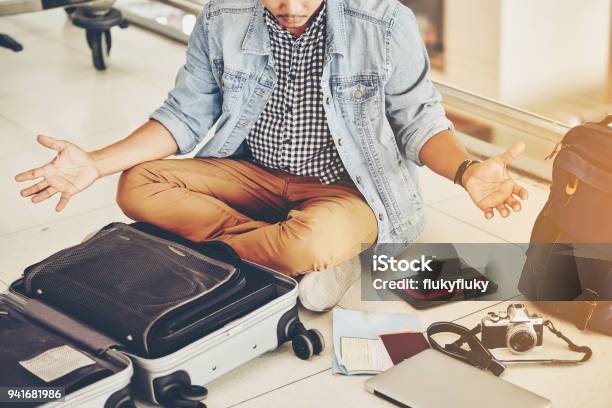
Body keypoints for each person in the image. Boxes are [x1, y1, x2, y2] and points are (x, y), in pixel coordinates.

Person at [14, 0, 528, 311]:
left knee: (311, 237)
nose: (290, 8)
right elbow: (185, 114)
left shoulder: (385, 20)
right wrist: (96, 164)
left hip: (348, 189)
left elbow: (419, 121)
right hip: (252, 174)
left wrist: (466, 170)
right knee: (136, 184)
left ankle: (276, 249)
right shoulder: (223, 14)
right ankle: (283, 254)